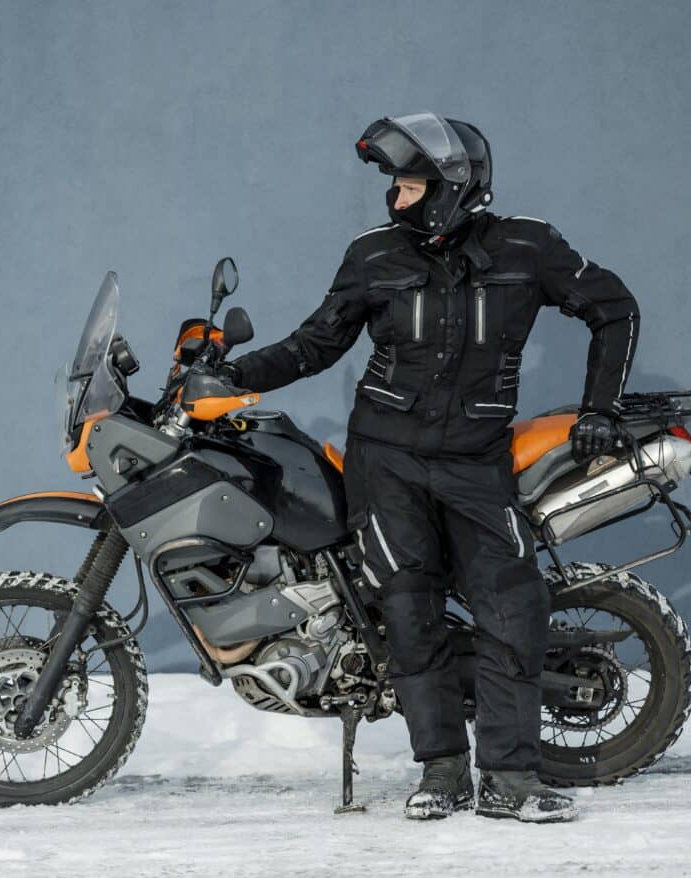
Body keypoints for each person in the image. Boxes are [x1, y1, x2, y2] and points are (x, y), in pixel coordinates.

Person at [220, 113, 639, 822]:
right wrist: (230, 377)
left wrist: (602, 406)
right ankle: (442, 771)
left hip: (476, 459)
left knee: (511, 606)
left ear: (452, 185)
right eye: (395, 186)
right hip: (385, 461)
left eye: (410, 186)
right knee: (408, 613)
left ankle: (510, 777)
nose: (396, 199)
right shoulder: (373, 255)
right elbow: (315, 344)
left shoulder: (527, 246)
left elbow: (615, 310)